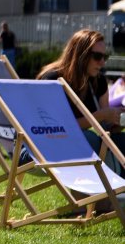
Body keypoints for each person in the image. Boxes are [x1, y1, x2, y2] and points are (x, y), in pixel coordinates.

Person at [36, 29, 125, 175]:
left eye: (105, 57)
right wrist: (101, 115)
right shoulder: (53, 79)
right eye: (97, 57)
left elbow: (105, 129)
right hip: (44, 145)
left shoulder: (98, 81)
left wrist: (118, 121)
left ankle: (116, 194)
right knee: (90, 140)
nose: (102, 63)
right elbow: (58, 128)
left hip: (76, 142)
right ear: (81, 55)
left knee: (119, 141)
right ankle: (109, 194)